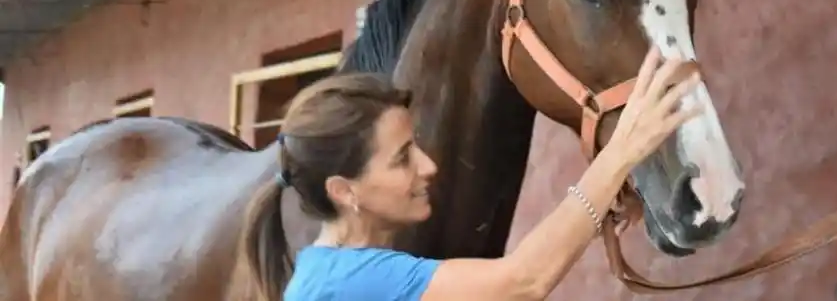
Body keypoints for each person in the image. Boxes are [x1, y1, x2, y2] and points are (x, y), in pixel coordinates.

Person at [241, 46, 701, 300]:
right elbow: (523, 281)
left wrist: (598, 203)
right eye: (402, 158)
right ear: (344, 191)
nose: (429, 166)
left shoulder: (336, 273)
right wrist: (620, 152)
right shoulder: (351, 282)